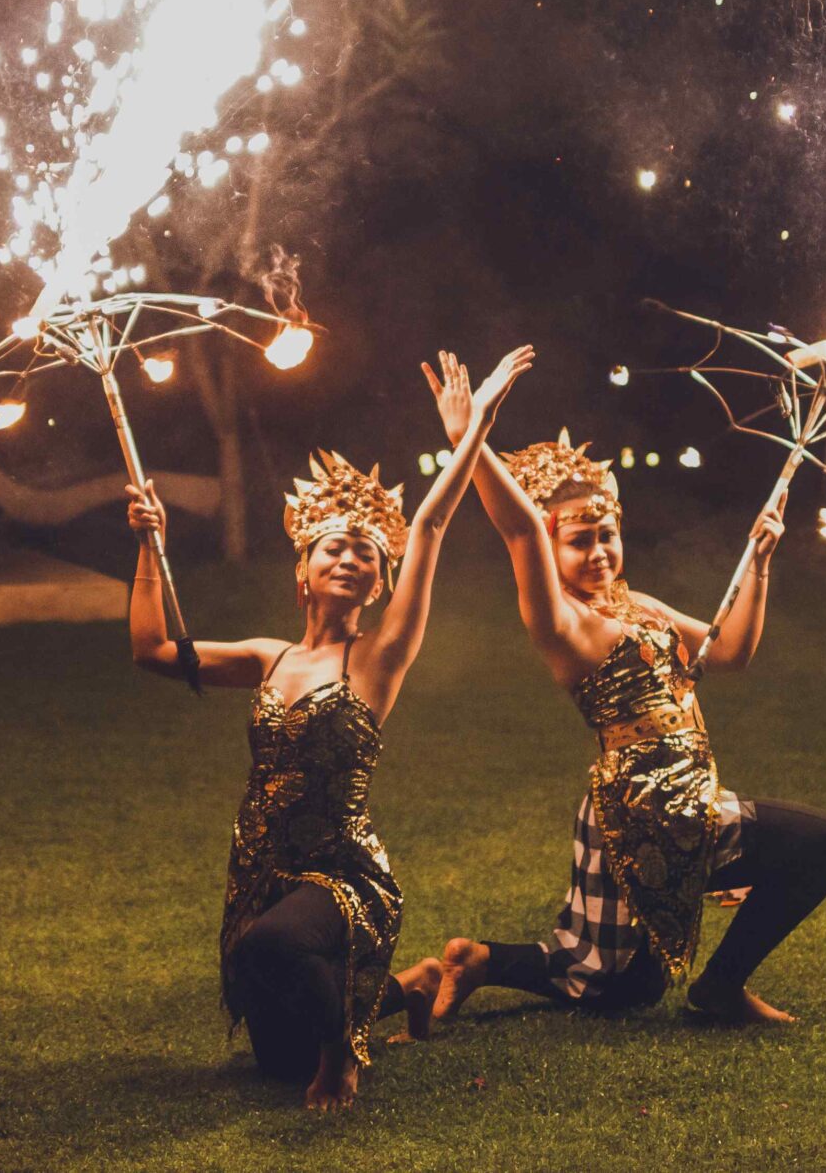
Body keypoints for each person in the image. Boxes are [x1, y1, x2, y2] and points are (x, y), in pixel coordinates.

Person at [127, 346, 534, 1110]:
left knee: (275, 949)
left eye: (367, 553)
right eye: (334, 546)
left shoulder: (378, 657)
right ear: (303, 569)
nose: (351, 557)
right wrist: (149, 544)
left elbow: (434, 521)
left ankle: (345, 1057)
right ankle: (408, 984)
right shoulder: (265, 654)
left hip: (343, 874)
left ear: (380, 581)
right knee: (274, 1051)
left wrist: (473, 426)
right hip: (262, 869)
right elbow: (151, 648)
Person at [403, 424, 826, 1027]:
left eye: (607, 536)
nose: (599, 554)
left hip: (657, 800)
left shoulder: (640, 606)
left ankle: (476, 960)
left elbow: (730, 652)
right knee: (820, 840)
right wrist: (470, 436)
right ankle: (720, 987)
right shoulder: (563, 624)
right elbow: (519, 528)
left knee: (617, 983)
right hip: (647, 807)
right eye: (579, 542)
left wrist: (761, 561)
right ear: (552, 550)